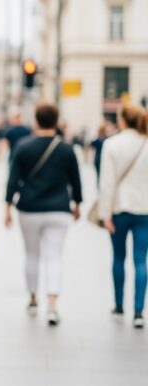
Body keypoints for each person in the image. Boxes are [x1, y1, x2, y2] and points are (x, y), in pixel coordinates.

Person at [5, 103, 82, 326]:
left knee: (31, 255)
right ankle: (52, 305)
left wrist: (7, 207)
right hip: (59, 209)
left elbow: (12, 180)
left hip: (29, 209)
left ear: (36, 121)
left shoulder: (23, 146)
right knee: (54, 257)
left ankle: (32, 298)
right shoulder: (66, 149)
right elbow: (75, 180)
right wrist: (77, 204)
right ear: (56, 121)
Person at [98, 104, 148, 329]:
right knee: (140, 261)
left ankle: (119, 305)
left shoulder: (112, 144)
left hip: (119, 209)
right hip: (144, 210)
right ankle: (139, 311)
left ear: (123, 120)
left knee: (118, 258)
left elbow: (107, 183)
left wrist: (104, 213)